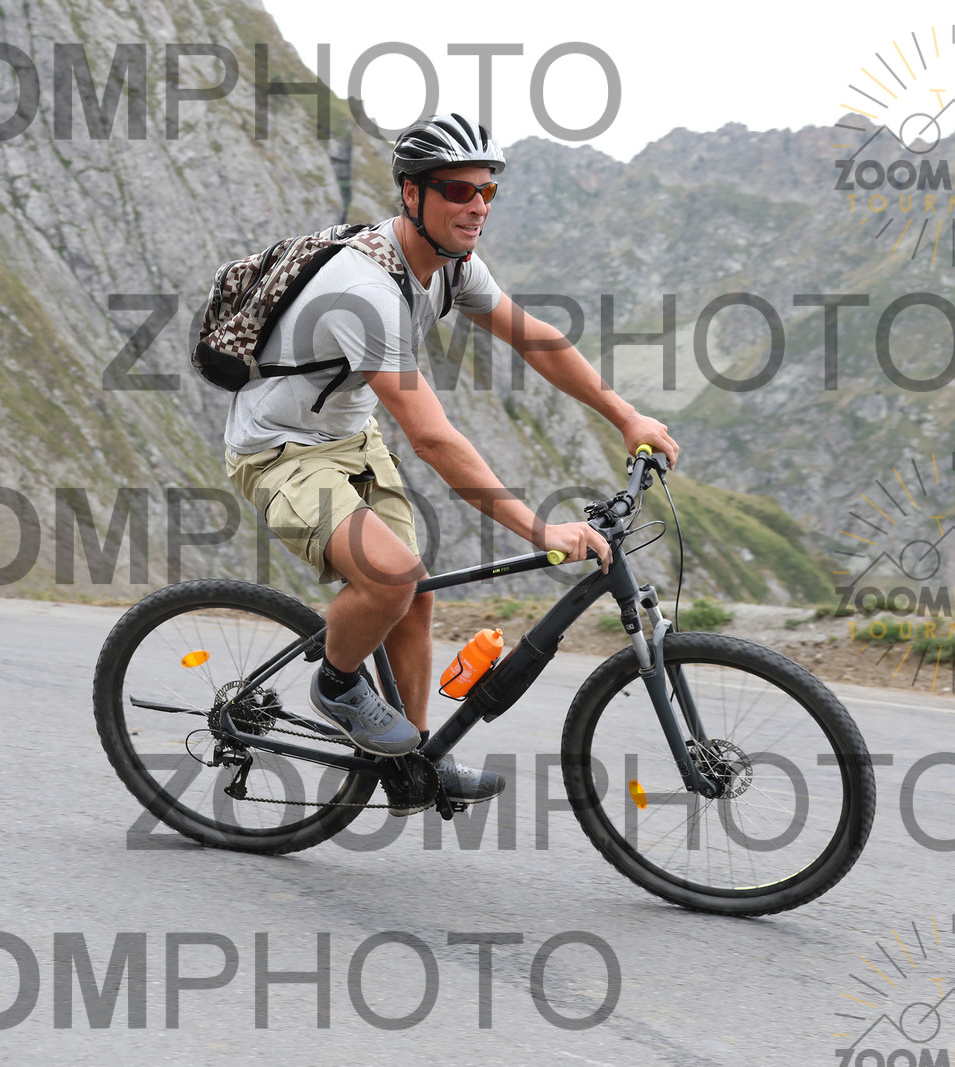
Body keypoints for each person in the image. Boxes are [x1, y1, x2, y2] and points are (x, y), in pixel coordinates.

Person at [224, 113, 680, 814]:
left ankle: (415, 763)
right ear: (412, 194)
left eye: (487, 191)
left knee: (416, 592)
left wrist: (626, 416)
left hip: (350, 437)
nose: (478, 206)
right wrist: (540, 529)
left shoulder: (452, 265)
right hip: (279, 449)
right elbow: (433, 439)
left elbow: (535, 339)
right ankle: (337, 683)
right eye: (459, 191)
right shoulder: (362, 291)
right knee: (391, 576)